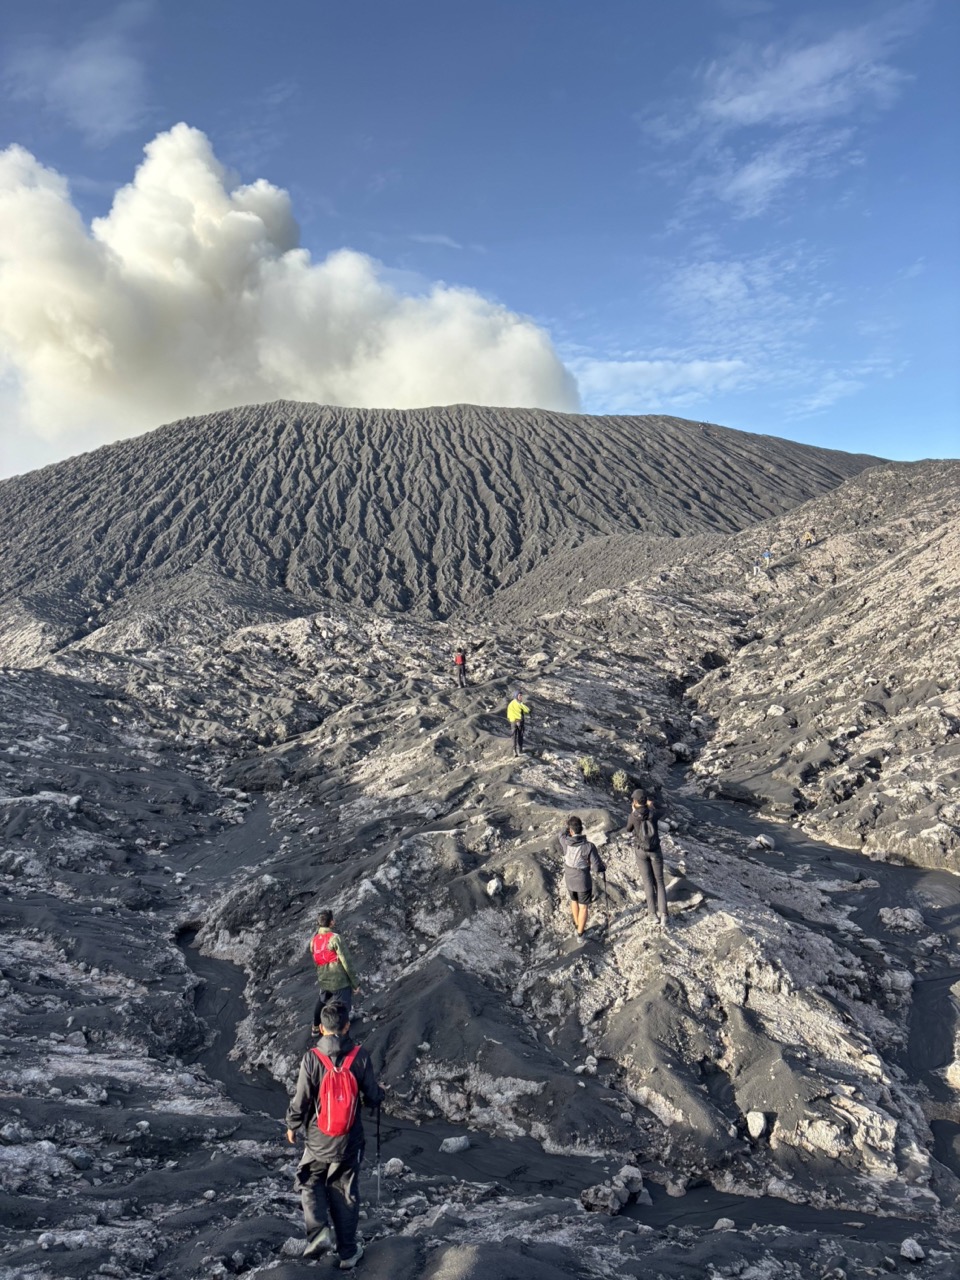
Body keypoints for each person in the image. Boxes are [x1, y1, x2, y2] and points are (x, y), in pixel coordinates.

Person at [286, 1001, 385, 1269]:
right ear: (347, 1026)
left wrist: (292, 1125)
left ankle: (319, 1233)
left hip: (318, 1140)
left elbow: (301, 1099)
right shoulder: (360, 1056)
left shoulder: (311, 1058)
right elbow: (372, 1096)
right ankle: (348, 1254)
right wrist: (380, 1094)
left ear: (321, 1028)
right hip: (349, 1141)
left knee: (309, 1180)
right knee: (344, 1193)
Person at [623, 790, 668, 928]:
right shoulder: (653, 813)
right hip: (655, 850)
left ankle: (652, 914)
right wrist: (652, 805)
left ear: (635, 802)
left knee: (647, 881)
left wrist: (633, 812)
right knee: (659, 881)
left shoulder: (633, 816)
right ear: (646, 801)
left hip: (641, 851)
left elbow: (628, 829)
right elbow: (665, 809)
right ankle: (664, 915)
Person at [310, 911, 360, 1035]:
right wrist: (355, 983)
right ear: (331, 922)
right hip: (339, 981)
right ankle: (341, 1036)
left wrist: (321, 976)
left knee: (322, 1001)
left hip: (324, 979)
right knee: (343, 1008)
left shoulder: (314, 940)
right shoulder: (335, 938)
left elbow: (316, 961)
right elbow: (346, 961)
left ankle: (315, 1028)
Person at [556, 816, 606, 937]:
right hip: (583, 882)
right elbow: (596, 867)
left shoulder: (565, 842)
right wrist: (603, 867)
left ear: (571, 830)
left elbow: (560, 834)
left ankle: (577, 924)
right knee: (583, 907)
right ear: (582, 829)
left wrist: (567, 826)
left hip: (569, 880)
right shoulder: (589, 846)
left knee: (574, 901)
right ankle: (580, 934)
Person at [506, 691, 531, 757]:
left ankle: (517, 750)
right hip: (517, 722)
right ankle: (518, 750)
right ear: (516, 696)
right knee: (518, 736)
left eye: (521, 695)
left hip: (515, 722)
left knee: (517, 736)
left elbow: (509, 715)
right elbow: (527, 710)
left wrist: (513, 721)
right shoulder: (516, 703)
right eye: (520, 695)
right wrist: (516, 721)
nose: (521, 697)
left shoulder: (513, 704)